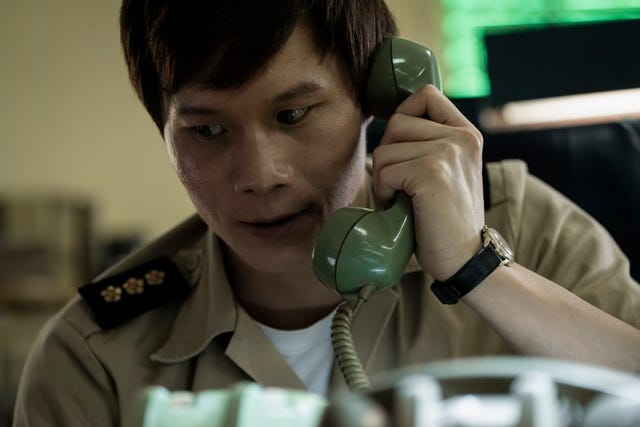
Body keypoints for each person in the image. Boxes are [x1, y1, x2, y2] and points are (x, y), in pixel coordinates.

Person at [13, 0, 640, 425]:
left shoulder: (525, 222)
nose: (259, 176)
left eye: (293, 115)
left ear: (380, 97)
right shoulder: (93, 358)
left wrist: (479, 271)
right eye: (206, 131)